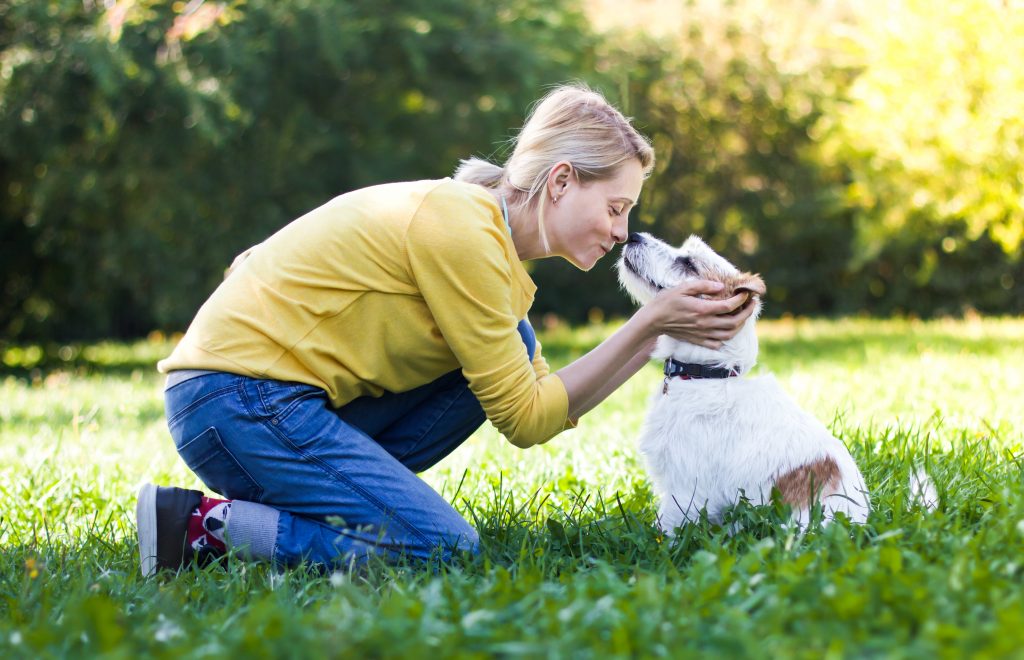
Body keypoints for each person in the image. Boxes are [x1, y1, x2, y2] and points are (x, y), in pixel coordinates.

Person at [136, 84, 755, 576]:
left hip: (271, 402)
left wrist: (652, 335)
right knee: (440, 548)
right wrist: (649, 321)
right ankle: (201, 528)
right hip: (236, 400)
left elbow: (540, 404)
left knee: (501, 362)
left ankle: (330, 508)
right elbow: (527, 420)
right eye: (616, 208)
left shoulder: (490, 253)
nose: (621, 232)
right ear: (562, 181)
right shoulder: (464, 232)